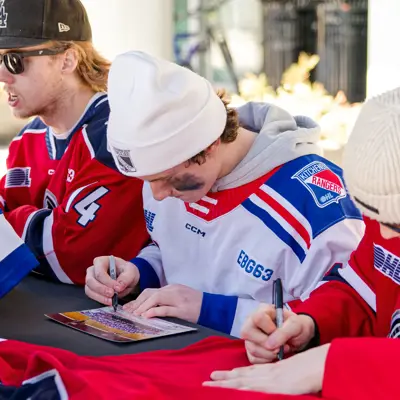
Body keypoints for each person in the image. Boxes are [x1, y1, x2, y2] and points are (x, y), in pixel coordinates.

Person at [85, 51, 363, 336]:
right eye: (147, 180)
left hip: (265, 373)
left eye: (168, 179)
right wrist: (140, 272)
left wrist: (209, 309)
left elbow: (349, 315)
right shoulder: (172, 176)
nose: (157, 194)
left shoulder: (316, 202)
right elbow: (177, 251)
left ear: (209, 145)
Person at [204, 87, 400, 397]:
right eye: (377, 218)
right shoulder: (386, 205)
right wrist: (311, 323)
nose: (386, 236)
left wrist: (333, 363)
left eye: (397, 223)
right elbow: (361, 289)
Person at [0, 0, 149, 286]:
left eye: (15, 60)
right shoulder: (28, 138)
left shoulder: (116, 135)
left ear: (67, 61)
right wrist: (37, 223)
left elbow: (72, 255)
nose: (3, 76)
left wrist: (10, 227)